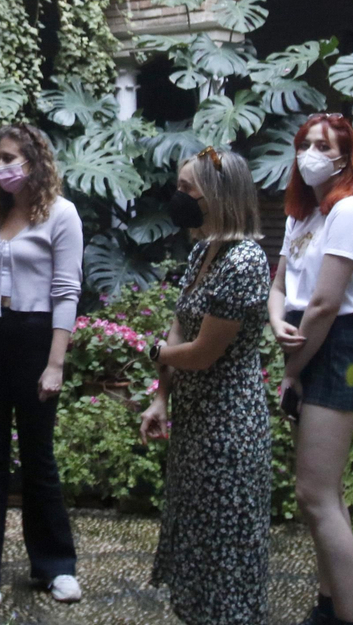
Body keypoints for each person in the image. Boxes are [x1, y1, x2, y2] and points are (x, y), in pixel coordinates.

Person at [140, 146, 271, 625]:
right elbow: (181, 323)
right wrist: (161, 397)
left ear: (217, 196)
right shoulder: (202, 250)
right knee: (194, 538)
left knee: (225, 545)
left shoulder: (245, 261)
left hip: (228, 428)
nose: (178, 198)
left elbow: (202, 352)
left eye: (186, 190)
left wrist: (157, 353)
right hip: (194, 423)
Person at [0, 123, 82, 607]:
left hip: (34, 339)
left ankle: (55, 566)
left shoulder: (62, 215)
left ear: (34, 160)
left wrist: (56, 364)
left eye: (11, 157)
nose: (3, 166)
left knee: (37, 456)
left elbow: (67, 291)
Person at [267, 113, 353, 625]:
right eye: (304, 143)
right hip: (301, 341)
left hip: (333, 347)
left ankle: (348, 618)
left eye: (322, 145)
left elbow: (326, 304)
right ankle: (329, 603)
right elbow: (281, 287)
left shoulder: (350, 210)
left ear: (344, 156)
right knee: (323, 493)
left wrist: (291, 372)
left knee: (314, 494)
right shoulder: (301, 214)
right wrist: (275, 323)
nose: (310, 153)